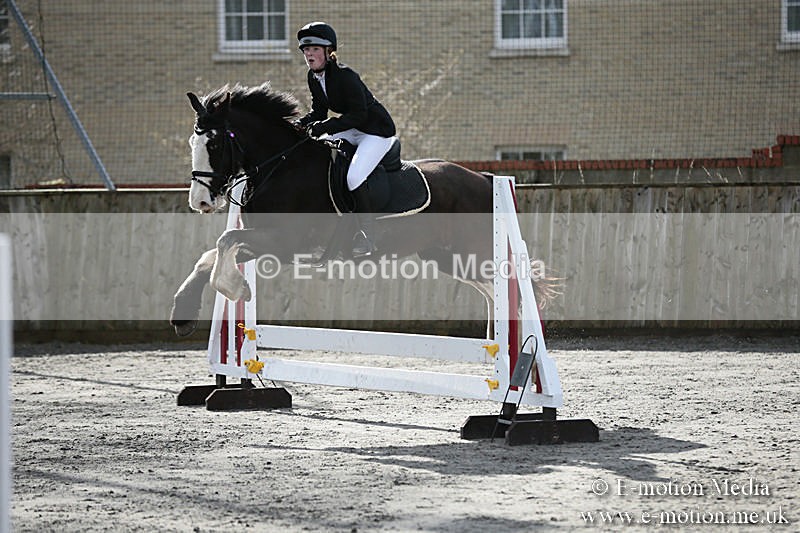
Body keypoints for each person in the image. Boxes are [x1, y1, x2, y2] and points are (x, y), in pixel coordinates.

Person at [295, 21, 396, 257]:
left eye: (315, 49)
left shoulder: (346, 76)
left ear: (329, 53)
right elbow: (319, 112)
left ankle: (369, 237)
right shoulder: (313, 77)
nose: (309, 54)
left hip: (376, 132)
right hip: (353, 128)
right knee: (314, 148)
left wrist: (326, 126)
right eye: (306, 50)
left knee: (354, 176)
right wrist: (300, 124)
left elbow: (359, 114)